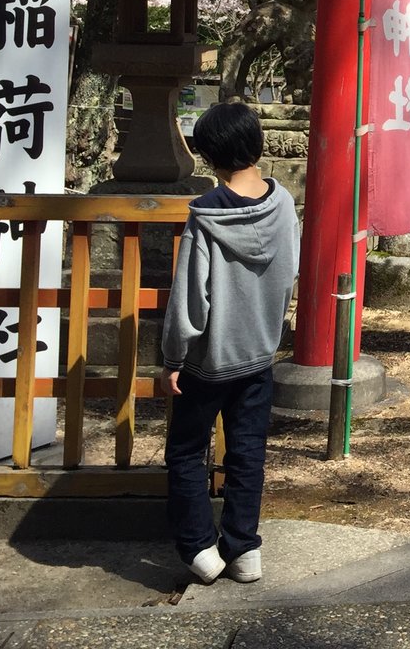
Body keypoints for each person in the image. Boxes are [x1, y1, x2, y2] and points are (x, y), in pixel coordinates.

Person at [160, 100, 299, 585]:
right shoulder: (284, 204)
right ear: (256, 144)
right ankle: (243, 550)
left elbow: (189, 300)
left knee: (184, 452)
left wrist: (173, 356)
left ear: (208, 155)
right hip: (259, 352)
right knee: (247, 453)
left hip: (208, 361)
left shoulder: (205, 218)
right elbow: (287, 274)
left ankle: (200, 547)